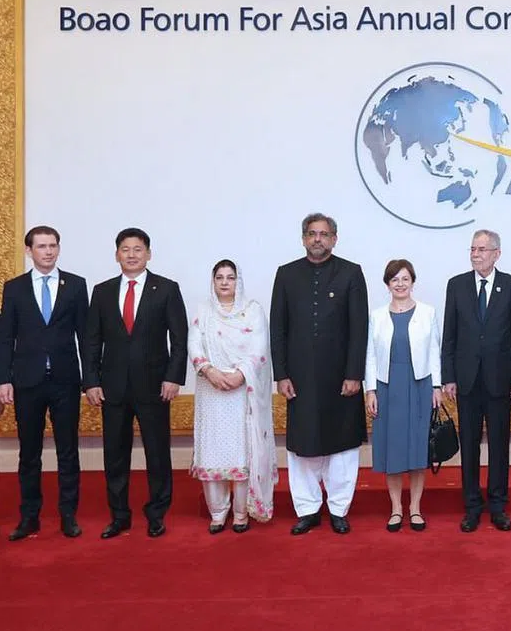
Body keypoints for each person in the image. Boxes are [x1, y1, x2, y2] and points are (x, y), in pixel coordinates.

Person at [83, 227, 188, 540]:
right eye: (125, 249)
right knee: (115, 454)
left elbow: (179, 339)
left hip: (155, 386)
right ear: (117, 254)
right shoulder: (102, 291)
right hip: (112, 387)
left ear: (148, 254)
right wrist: (91, 381)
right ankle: (119, 516)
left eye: (137, 249)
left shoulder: (166, 289)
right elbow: (91, 341)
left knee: (157, 453)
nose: (131, 255)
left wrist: (173, 377)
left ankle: (156, 514)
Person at [270, 213, 368, 535]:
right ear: (303, 239)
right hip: (299, 378)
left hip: (341, 377)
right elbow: (277, 329)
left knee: (342, 446)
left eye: (324, 234)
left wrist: (354, 373)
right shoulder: (286, 274)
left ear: (334, 239)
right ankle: (308, 509)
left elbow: (359, 328)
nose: (317, 239)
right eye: (312, 233)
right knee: (304, 445)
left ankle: (339, 509)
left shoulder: (351, 273)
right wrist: (281, 374)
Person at [0, 226, 88, 540]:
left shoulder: (75, 285)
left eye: (53, 246)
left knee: (68, 451)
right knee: (29, 453)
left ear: (58, 248)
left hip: (65, 380)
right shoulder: (14, 288)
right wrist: (2, 379)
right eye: (41, 246)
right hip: (27, 381)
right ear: (29, 251)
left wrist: (91, 379)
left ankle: (68, 515)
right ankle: (29, 517)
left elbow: (85, 337)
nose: (48, 251)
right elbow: (5, 338)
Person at [441, 230, 511, 533]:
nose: (476, 254)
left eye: (482, 249)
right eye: (473, 249)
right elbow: (449, 335)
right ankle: (472, 506)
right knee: (469, 444)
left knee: (499, 444)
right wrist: (448, 376)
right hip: (466, 380)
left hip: (500, 379)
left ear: (496, 254)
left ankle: (498, 506)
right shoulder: (457, 285)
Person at [187, 260, 277, 534]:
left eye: (230, 277)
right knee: (213, 450)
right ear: (213, 281)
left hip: (243, 392)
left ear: (239, 281)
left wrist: (240, 375)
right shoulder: (203, 311)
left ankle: (240, 513)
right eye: (220, 277)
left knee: (242, 451)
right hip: (211, 390)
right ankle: (217, 513)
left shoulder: (252, 311)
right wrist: (209, 371)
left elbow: (260, 347)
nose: (225, 282)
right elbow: (194, 344)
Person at [365, 259, 442, 533]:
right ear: (387, 284)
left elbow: (434, 351)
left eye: (405, 279)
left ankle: (415, 508)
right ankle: (396, 508)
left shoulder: (427, 312)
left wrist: (436, 387)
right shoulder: (376, 316)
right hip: (388, 387)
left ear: (413, 282)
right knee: (393, 449)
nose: (400, 284)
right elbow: (370, 355)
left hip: (420, 384)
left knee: (418, 449)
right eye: (394, 279)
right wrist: (370, 390)